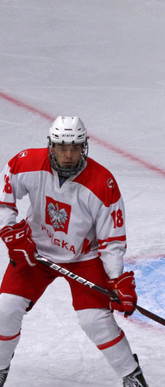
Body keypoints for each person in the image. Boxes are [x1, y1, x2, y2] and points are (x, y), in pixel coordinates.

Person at [0, 116, 148, 387]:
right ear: (51, 145)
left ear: (85, 147)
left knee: (95, 320)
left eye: (75, 147)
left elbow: (111, 240)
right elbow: (3, 197)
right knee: (4, 309)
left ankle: (132, 375)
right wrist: (9, 231)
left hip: (83, 258)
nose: (68, 154)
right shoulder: (28, 163)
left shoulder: (103, 183)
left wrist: (116, 279)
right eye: (62, 147)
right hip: (35, 253)